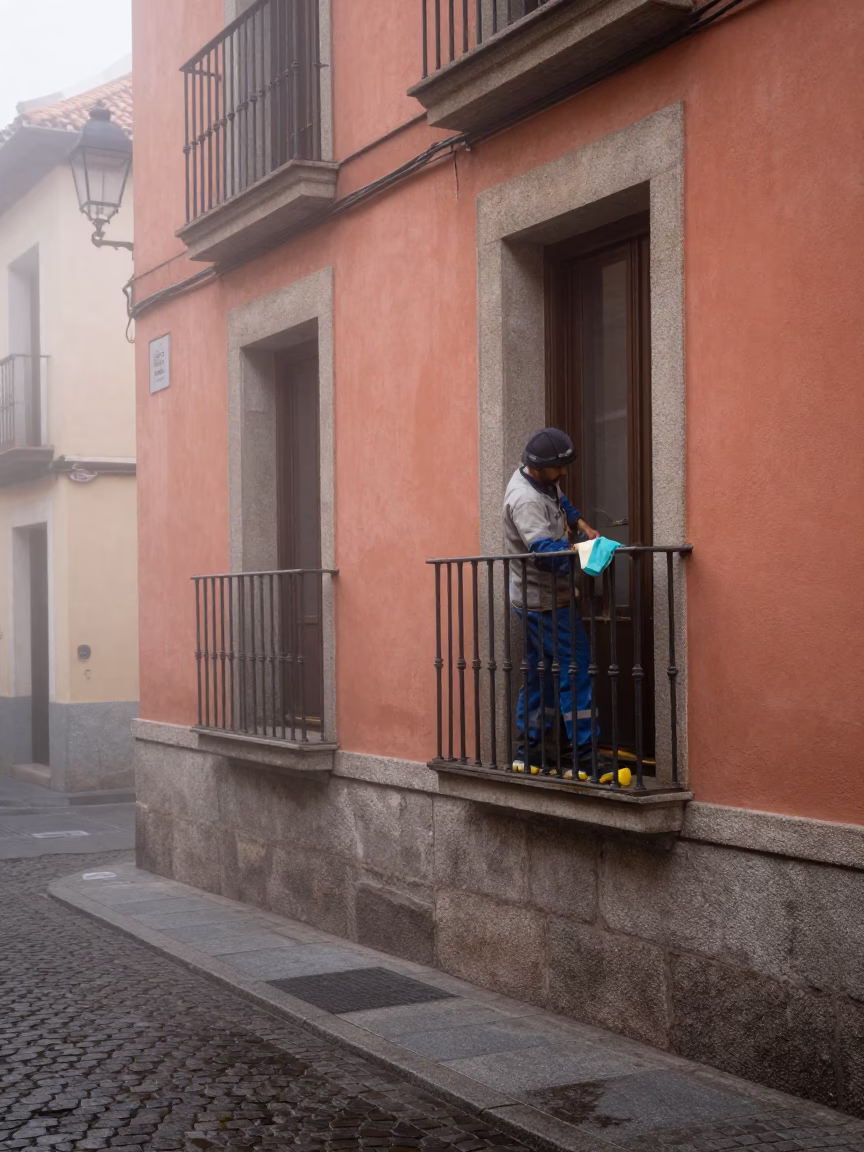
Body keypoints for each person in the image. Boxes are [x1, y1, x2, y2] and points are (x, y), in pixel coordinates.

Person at [502, 428, 604, 777]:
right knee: (575, 669)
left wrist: (584, 527)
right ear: (538, 466)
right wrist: (584, 552)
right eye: (558, 468)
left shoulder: (543, 482)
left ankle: (529, 753)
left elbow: (564, 504)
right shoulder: (526, 501)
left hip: (536, 599)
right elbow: (544, 554)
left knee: (541, 674)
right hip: (545, 601)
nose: (563, 473)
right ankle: (585, 757)